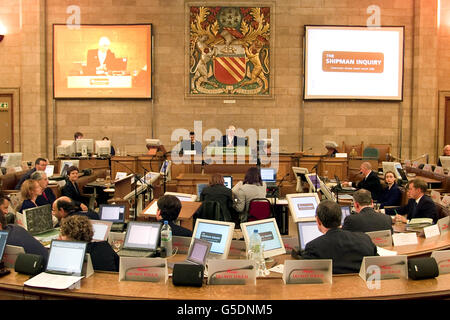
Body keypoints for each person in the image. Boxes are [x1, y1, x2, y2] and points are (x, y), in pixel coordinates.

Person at [297, 200, 378, 274]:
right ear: (340, 218)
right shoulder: (364, 239)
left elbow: (304, 275)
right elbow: (378, 266)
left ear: (318, 221)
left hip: (329, 289)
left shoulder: (313, 247)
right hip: (362, 288)